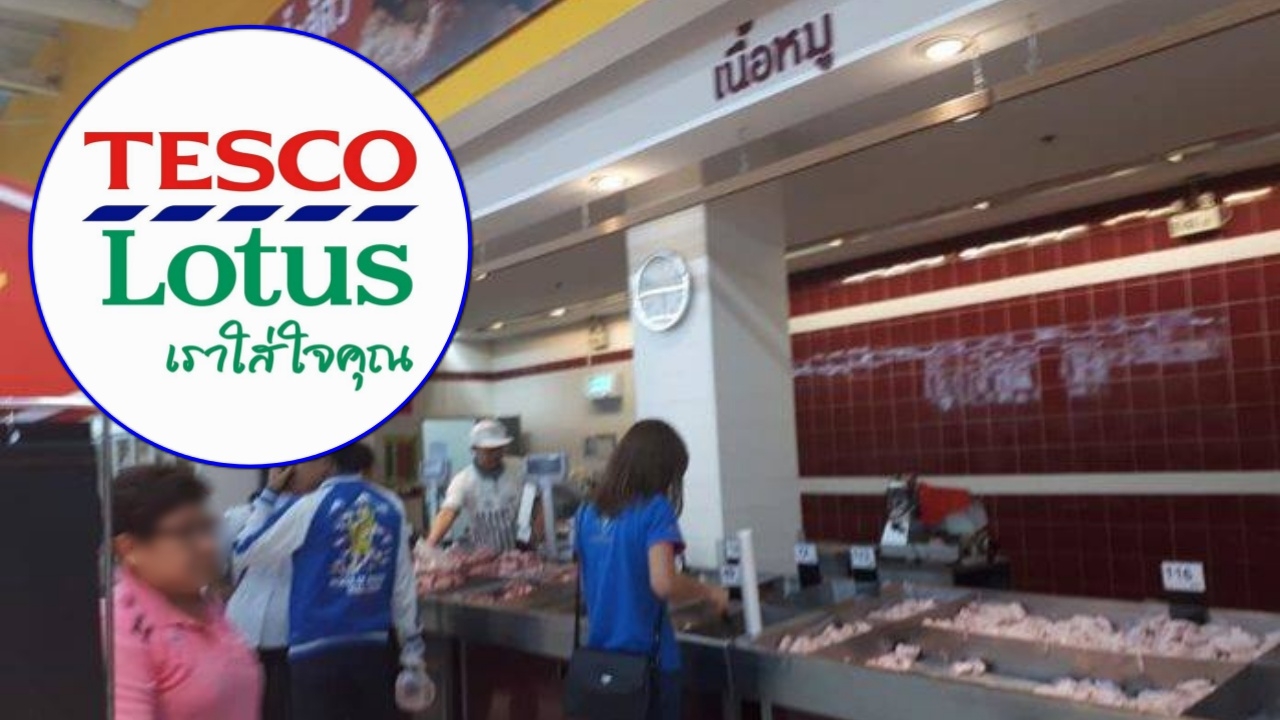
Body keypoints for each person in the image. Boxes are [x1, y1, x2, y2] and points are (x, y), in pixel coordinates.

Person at [234, 442, 426, 720]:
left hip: (315, 654)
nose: (293, 470)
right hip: (374, 650)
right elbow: (403, 588)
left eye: (301, 462)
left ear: (326, 462)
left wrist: (270, 493)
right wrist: (412, 652)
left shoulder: (309, 507)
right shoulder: (390, 504)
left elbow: (243, 550)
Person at [574, 419, 730, 720]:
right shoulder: (654, 509)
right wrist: (710, 592)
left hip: (601, 662)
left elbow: (588, 579)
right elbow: (664, 583)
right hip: (650, 664)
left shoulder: (586, 511)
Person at [111, 464, 262, 720]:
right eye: (185, 533)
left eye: (207, 528)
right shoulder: (123, 625)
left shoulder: (205, 605)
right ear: (130, 548)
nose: (207, 545)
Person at [226, 472, 308, 720]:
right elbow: (228, 562)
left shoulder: (309, 510)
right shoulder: (240, 516)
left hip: (267, 624)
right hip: (263, 624)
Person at [425, 418, 529, 551]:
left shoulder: (519, 468)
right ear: (474, 449)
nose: (495, 455)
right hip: (482, 553)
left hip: (518, 549)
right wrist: (429, 546)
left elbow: (538, 499)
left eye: (499, 449)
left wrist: (535, 536)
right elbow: (448, 512)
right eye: (488, 451)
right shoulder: (463, 480)